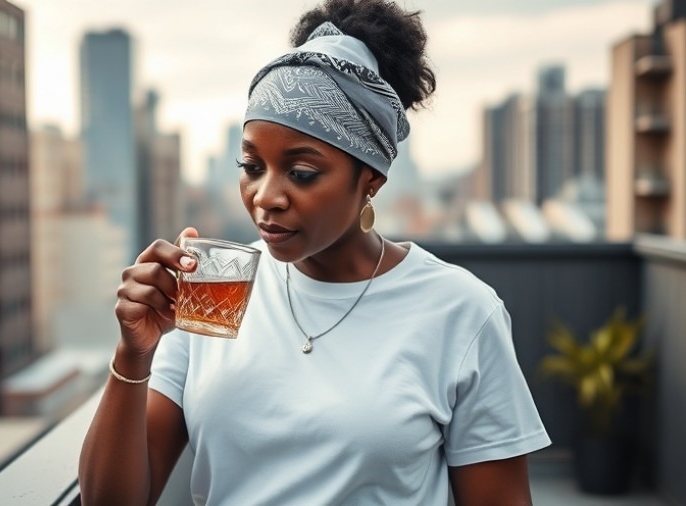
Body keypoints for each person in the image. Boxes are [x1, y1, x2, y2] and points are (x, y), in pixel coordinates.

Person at [79, 0, 552, 504]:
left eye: (301, 173)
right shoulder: (211, 289)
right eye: (251, 165)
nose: (265, 196)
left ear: (370, 179)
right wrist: (135, 352)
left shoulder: (460, 311)